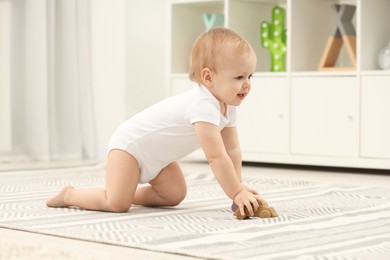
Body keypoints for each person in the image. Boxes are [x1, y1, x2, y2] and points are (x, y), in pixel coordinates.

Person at [47, 27, 264, 217]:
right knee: (116, 204)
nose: (247, 85)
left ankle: (125, 189)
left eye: (250, 77)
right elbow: (216, 157)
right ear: (208, 78)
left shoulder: (227, 105)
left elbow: (232, 150)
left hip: (158, 158)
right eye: (239, 78)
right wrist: (236, 192)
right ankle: (70, 195)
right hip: (130, 148)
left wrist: (239, 186)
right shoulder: (202, 105)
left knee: (174, 195)